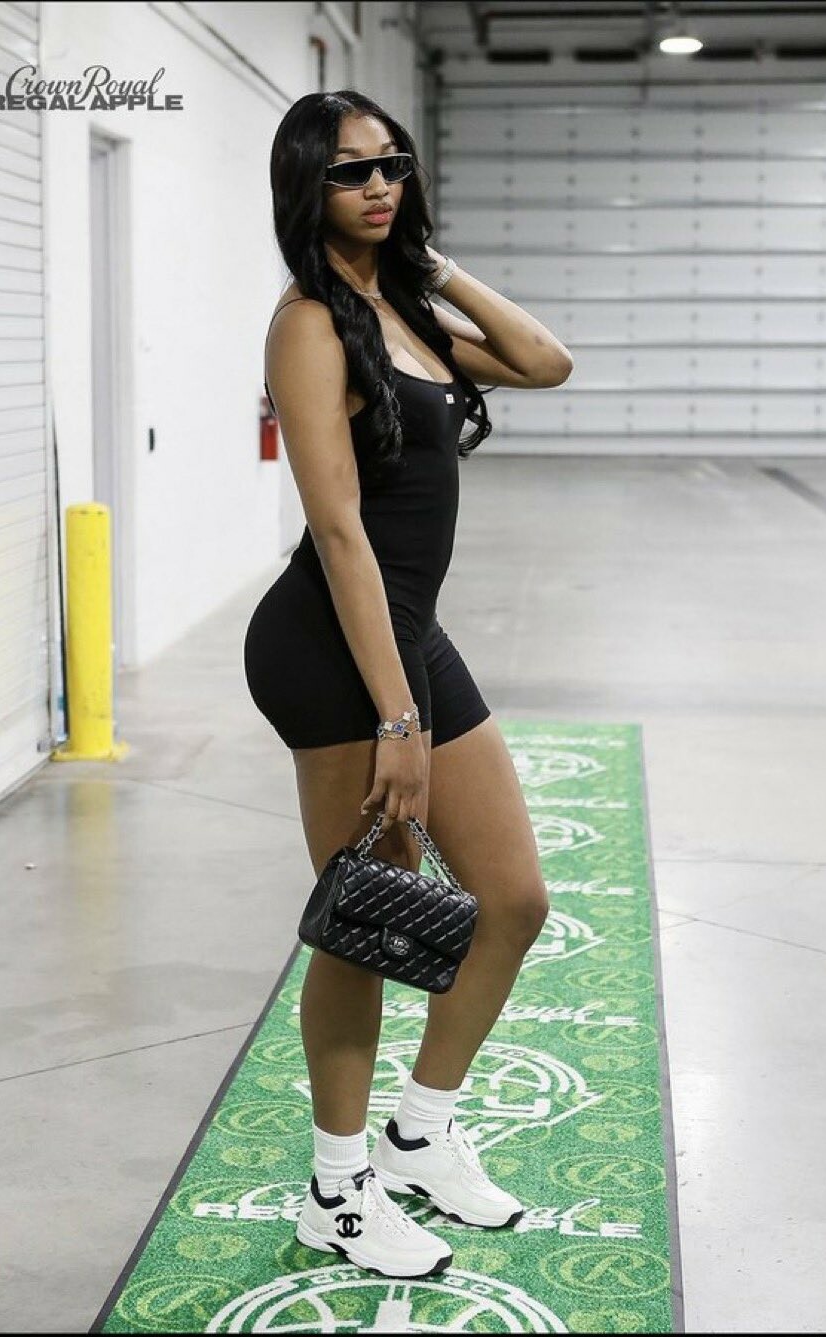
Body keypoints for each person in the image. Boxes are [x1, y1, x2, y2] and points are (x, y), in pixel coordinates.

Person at [243, 89, 573, 1280]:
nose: (377, 185)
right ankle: (335, 1190)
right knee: (370, 921)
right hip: (333, 647)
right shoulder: (307, 325)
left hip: (408, 630)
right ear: (306, 187)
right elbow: (337, 530)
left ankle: (420, 1132)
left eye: (391, 164)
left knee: (513, 899)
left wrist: (436, 267)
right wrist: (395, 714)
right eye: (349, 171)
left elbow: (543, 361)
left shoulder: (401, 309)